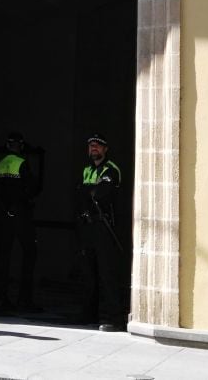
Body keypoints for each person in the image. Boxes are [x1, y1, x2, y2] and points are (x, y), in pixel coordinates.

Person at [77, 133, 127, 332]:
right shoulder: (87, 170)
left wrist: (87, 191)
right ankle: (89, 314)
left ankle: (114, 318)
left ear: (105, 149)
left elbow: (101, 194)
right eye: (91, 145)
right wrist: (88, 191)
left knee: (107, 273)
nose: (94, 148)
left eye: (98, 145)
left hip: (105, 226)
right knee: (88, 272)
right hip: (88, 226)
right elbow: (80, 194)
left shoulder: (110, 169)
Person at [0, 131, 40, 312]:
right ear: (20, 146)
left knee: (3, 257)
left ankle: (0, 298)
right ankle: (24, 300)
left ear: (7, 146)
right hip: (21, 214)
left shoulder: (0, 164)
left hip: (3, 215)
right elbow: (32, 188)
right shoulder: (21, 163)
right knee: (30, 253)